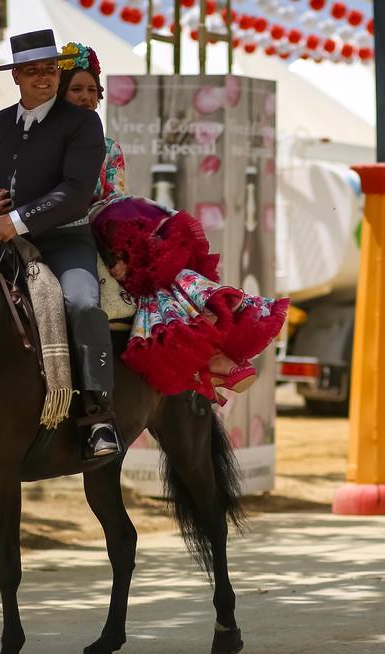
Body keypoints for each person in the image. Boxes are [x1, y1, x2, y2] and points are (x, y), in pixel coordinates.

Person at [56, 42, 289, 402]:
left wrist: (122, 245)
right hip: (63, 229)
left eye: (91, 90)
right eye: (77, 90)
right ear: (60, 94)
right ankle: (208, 357)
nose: (86, 97)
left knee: (161, 265)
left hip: (104, 230)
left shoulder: (108, 147)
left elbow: (113, 196)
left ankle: (210, 349)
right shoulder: (45, 141)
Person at [0, 29, 120, 459]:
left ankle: (98, 417)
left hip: (65, 240)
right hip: (0, 239)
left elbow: (75, 191)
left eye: (50, 69)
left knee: (83, 304)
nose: (43, 77)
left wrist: (14, 222)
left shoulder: (83, 122)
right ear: (15, 75)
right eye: (32, 70)